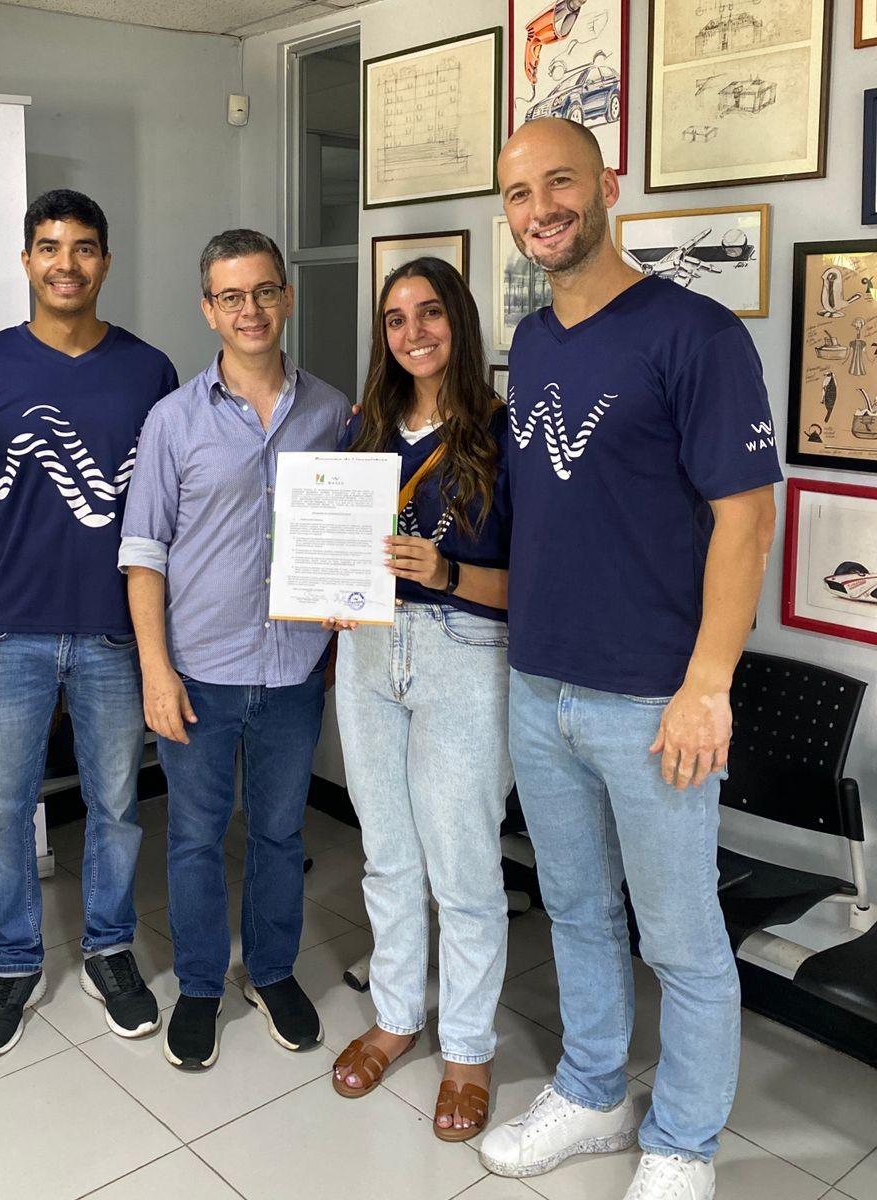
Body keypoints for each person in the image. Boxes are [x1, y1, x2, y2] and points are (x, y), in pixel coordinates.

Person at [478, 118, 780, 1200]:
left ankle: (685, 1144)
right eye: (519, 194)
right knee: (575, 910)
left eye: (559, 182)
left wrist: (708, 687)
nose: (540, 209)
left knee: (682, 940)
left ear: (607, 184)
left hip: (653, 697)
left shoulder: (694, 333)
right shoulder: (535, 342)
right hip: (540, 684)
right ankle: (595, 1092)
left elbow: (747, 521)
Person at [0, 189, 178, 1057]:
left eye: (82, 248)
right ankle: (13, 961)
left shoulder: (149, 372)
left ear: (105, 261)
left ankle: (109, 951)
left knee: (115, 806)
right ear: (27, 260)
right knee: (5, 811)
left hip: (115, 634)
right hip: (13, 633)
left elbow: (169, 507)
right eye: (49, 247)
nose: (65, 264)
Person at [119, 229, 349, 1070]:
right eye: (231, 297)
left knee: (281, 835)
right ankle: (201, 984)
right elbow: (143, 553)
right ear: (208, 310)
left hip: (294, 671)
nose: (249, 310)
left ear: (286, 297)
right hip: (200, 674)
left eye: (263, 292)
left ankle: (274, 972)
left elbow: (352, 529)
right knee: (194, 836)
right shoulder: (172, 421)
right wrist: (156, 669)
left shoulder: (333, 413)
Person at [327, 258, 513, 1143]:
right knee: (388, 855)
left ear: (458, 321)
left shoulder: (503, 434)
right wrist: (326, 588)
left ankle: (468, 1049)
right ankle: (397, 1016)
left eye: (429, 313)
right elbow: (334, 548)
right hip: (367, 653)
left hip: (464, 655)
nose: (413, 333)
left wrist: (447, 573)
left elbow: (532, 586)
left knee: (464, 867)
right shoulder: (361, 431)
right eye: (396, 319)